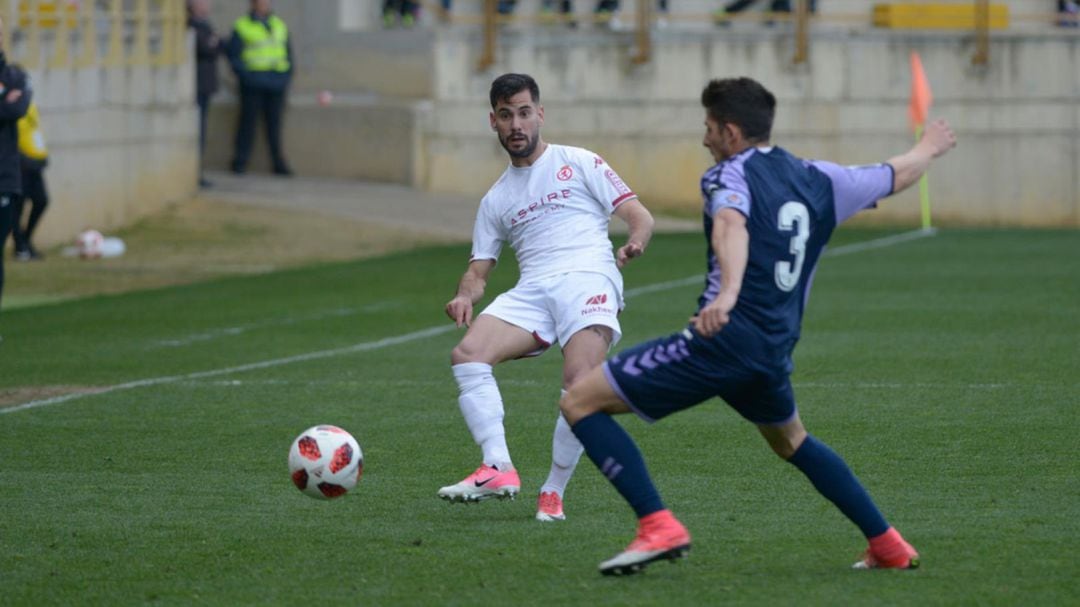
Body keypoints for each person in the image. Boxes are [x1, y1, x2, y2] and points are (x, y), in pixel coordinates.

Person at [559, 76, 956, 575]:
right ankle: (888, 544)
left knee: (579, 400)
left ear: (730, 131)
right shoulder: (819, 177)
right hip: (772, 348)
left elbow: (731, 224)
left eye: (707, 128)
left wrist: (727, 295)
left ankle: (657, 524)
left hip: (722, 340)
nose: (703, 139)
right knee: (790, 440)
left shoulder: (728, 176)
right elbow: (896, 174)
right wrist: (928, 146)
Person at [439, 73, 655, 523]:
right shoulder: (495, 199)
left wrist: (635, 241)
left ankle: (552, 492)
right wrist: (465, 295)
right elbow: (480, 270)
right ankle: (497, 466)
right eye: (505, 115)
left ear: (540, 114)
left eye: (523, 112)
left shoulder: (579, 162)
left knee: (579, 383)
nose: (516, 124)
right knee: (468, 354)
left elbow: (639, 215)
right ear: (493, 122)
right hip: (534, 288)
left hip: (589, 277)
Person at [226, 0, 293, 176]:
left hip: (275, 82)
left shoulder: (278, 24)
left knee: (274, 125)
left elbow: (288, 53)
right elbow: (233, 55)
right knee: (247, 123)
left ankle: (278, 162)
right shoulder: (242, 25)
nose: (264, 4)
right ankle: (240, 161)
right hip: (253, 83)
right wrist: (246, 77)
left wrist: (285, 77)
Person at [0, 14, 31, 321]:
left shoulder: (15, 76)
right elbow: (7, 107)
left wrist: (7, 103)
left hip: (4, 178)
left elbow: (18, 108)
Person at [188, 0, 222, 188]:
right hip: (196, 85)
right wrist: (213, 43)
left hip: (206, 85)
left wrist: (214, 44)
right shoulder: (192, 25)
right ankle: (195, 174)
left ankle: (198, 172)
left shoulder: (206, 25)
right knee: (197, 130)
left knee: (202, 131)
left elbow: (218, 47)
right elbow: (206, 48)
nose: (206, 4)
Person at [13, 101, 48, 261]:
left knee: (41, 201)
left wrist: (42, 155)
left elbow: (34, 131)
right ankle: (20, 246)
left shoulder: (30, 105)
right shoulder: (9, 107)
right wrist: (23, 159)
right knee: (17, 207)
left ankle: (25, 240)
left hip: (35, 165)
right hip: (20, 166)